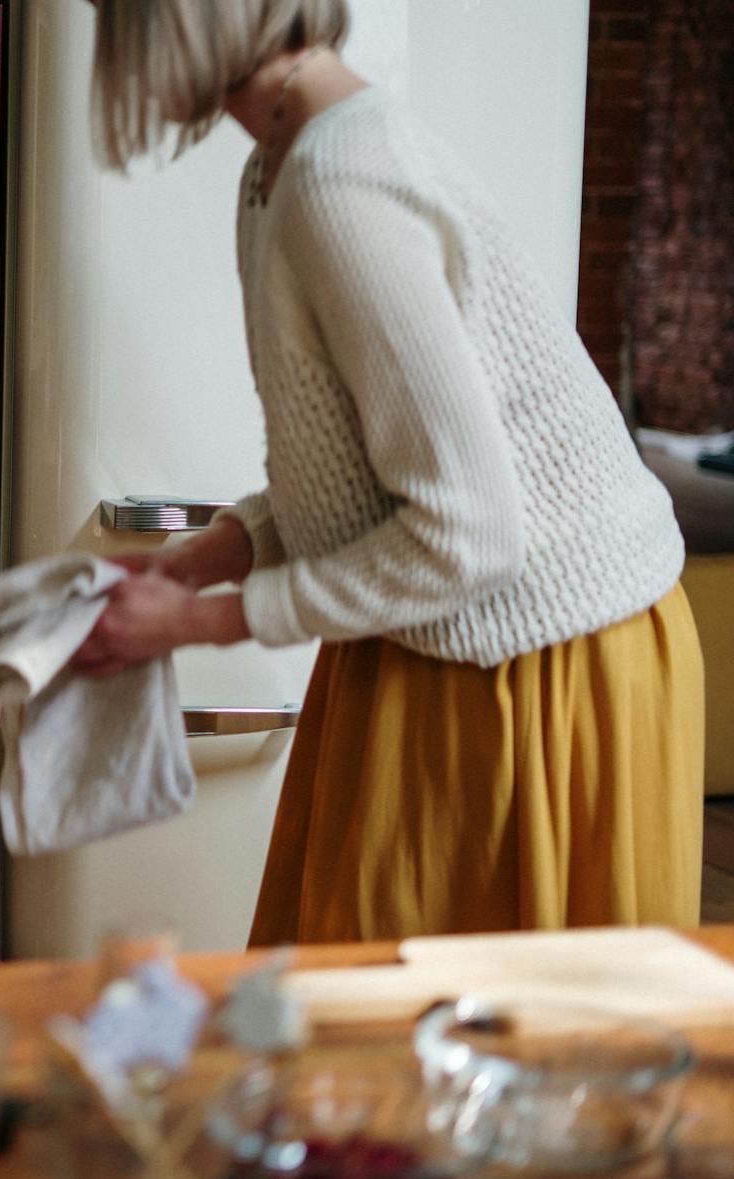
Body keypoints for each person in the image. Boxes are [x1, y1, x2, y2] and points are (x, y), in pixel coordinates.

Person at [69, 0, 704, 943]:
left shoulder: (338, 181)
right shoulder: (278, 167)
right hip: (432, 640)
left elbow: (469, 534)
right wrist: (201, 559)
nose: (105, 34)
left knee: (466, 1048)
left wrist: (198, 622)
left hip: (541, 664)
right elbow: (361, 472)